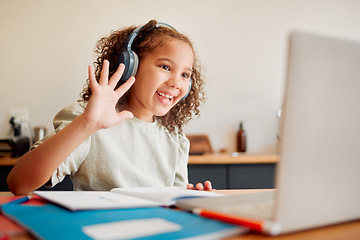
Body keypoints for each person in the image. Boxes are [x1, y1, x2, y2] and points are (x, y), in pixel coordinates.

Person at [7, 20, 212, 195]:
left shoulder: (174, 139)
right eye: (165, 67)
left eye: (185, 75)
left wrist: (191, 198)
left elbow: (173, 201)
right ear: (130, 66)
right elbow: (19, 183)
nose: (177, 82)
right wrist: (87, 123)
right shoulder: (89, 119)